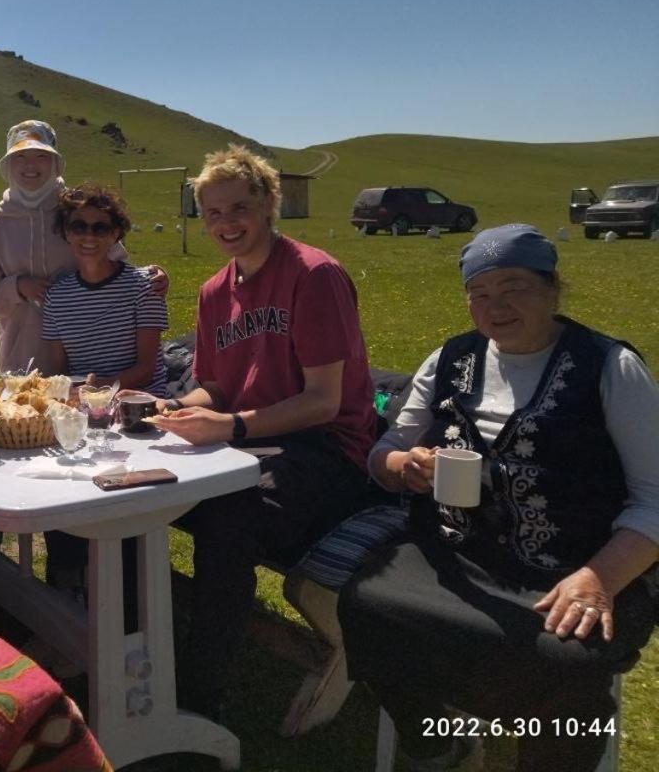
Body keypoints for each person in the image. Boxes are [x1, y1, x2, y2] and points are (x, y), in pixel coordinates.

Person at [339, 224, 659, 772]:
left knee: (562, 660)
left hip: (576, 565)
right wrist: (400, 465)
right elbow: (386, 447)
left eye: (515, 287)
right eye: (481, 293)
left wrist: (600, 578)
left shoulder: (607, 367)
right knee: (365, 604)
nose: (496, 305)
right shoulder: (451, 359)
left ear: (553, 290)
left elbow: (654, 497)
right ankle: (435, 743)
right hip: (462, 553)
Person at [150, 144, 377, 717]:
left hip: (328, 454)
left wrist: (230, 426)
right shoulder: (211, 292)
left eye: (238, 208)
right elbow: (216, 386)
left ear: (270, 203)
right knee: (137, 494)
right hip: (251, 439)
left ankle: (199, 699)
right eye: (213, 213)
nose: (226, 224)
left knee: (229, 519)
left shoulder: (314, 275)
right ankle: (123, 639)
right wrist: (171, 410)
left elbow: (324, 402)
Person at [0, 119, 168, 375]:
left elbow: (116, 268)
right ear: (7, 166)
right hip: (21, 357)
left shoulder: (77, 213)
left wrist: (153, 275)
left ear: (56, 164)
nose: (30, 165)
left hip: (88, 355)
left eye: (41, 156)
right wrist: (17, 287)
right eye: (20, 157)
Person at [40, 184, 169, 393]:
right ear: (67, 233)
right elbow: (59, 371)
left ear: (114, 235)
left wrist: (100, 387)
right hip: (81, 410)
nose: (89, 236)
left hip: (137, 407)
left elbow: (147, 369)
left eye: (100, 228)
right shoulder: (56, 298)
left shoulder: (145, 286)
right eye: (79, 227)